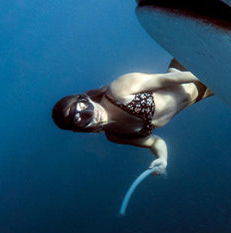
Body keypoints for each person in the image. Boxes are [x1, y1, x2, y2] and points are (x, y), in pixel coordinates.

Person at [52, 59, 212, 214]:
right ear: (82, 129)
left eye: (85, 106)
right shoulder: (117, 135)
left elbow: (165, 80)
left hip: (191, 70)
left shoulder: (118, 91)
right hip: (201, 93)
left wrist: (208, 75)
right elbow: (155, 142)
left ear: (86, 98)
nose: (93, 113)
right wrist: (163, 159)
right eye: (83, 119)